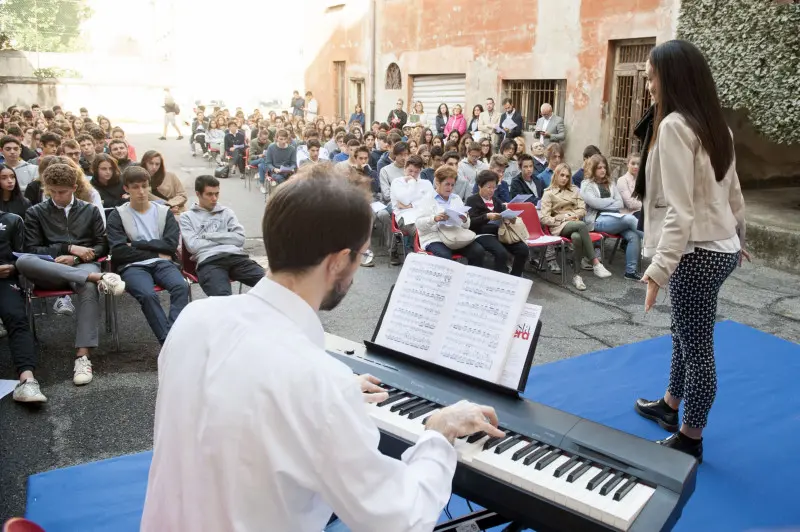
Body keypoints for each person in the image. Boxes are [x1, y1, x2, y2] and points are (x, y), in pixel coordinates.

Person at [141, 165, 502, 532]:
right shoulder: (321, 384)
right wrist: (438, 433)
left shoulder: (194, 318)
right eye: (360, 257)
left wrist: (324, 398)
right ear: (338, 261)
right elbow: (402, 520)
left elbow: (235, 408)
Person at [633, 40, 748, 462]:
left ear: (673, 77)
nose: (647, 85)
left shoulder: (675, 127)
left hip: (696, 252)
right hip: (720, 250)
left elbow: (680, 212)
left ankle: (690, 437)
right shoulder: (716, 125)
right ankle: (669, 404)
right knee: (685, 333)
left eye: (650, 76)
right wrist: (740, 237)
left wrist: (658, 270)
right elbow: (733, 193)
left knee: (697, 347)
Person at [16, 163, 125, 386]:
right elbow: (32, 248)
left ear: (74, 187)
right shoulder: (35, 212)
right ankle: (98, 278)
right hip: (50, 268)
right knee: (23, 260)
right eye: (52, 191)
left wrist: (75, 259)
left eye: (62, 191)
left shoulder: (90, 210)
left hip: (82, 266)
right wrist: (68, 248)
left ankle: (82, 356)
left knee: (87, 286)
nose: (57, 196)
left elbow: (102, 247)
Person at [105, 166, 189, 345]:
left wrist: (136, 244)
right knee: (147, 295)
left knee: (180, 286)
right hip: (132, 266)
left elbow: (171, 245)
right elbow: (119, 251)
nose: (141, 191)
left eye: (145, 186)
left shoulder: (163, 212)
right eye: (135, 187)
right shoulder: (117, 215)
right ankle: (168, 342)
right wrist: (156, 250)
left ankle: (172, 336)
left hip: (162, 263)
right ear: (126, 189)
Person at [180, 175, 265, 296]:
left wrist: (207, 236)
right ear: (198, 194)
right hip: (209, 261)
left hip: (236, 257)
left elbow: (240, 239)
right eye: (209, 194)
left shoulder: (226, 212)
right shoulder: (187, 217)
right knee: (222, 298)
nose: (214, 198)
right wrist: (227, 238)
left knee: (271, 284)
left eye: (217, 194)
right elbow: (193, 246)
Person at [540, 163, 612, 290]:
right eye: (561, 175)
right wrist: (563, 217)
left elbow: (582, 210)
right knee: (581, 224)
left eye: (567, 176)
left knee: (577, 238)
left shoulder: (575, 190)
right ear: (556, 175)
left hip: (574, 224)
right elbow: (544, 218)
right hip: (559, 226)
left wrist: (571, 215)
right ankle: (595, 262)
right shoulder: (548, 193)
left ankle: (577, 276)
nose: (564, 178)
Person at [0, 207, 46, 402]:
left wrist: (13, 267)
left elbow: (24, 256)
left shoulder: (11, 219)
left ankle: (27, 381)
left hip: (4, 280)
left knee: (16, 316)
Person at [580, 154, 643, 281]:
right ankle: (652, 243)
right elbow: (594, 203)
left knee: (633, 236)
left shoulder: (611, 183)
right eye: (599, 168)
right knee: (630, 219)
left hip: (614, 219)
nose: (603, 170)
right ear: (593, 169)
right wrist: (610, 201)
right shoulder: (586, 184)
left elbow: (620, 203)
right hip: (596, 220)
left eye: (604, 167)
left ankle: (630, 272)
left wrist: (603, 202)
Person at [416, 166, 486, 266]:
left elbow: (466, 226)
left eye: (452, 185)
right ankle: (446, 281)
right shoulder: (427, 199)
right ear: (437, 183)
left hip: (455, 236)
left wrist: (465, 219)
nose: (450, 188)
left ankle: (469, 279)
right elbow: (418, 224)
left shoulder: (456, 198)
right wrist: (435, 218)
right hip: (434, 238)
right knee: (445, 256)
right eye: (447, 184)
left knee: (478, 251)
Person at [465, 170, 529, 276]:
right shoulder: (472, 200)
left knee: (523, 249)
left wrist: (509, 218)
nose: (491, 190)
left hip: (500, 232)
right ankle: (499, 279)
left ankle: (515, 277)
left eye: (494, 187)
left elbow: (504, 214)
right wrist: (486, 216)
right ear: (480, 186)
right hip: (482, 233)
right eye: (488, 187)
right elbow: (470, 222)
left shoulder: (496, 201)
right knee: (501, 253)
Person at [140, 150, 188, 214]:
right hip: (155, 213)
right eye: (151, 163)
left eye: (157, 164)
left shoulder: (170, 176)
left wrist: (170, 204)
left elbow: (182, 195)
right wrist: (165, 208)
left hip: (177, 211)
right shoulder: (139, 180)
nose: (154, 167)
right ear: (145, 163)